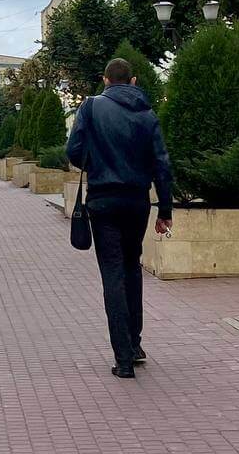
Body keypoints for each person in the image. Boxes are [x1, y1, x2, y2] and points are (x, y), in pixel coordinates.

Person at [66, 57, 173, 381]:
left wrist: (96, 161)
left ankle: (123, 358)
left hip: (103, 201)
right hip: (137, 202)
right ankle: (135, 345)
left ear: (105, 80)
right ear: (133, 80)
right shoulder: (147, 114)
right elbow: (162, 164)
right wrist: (165, 210)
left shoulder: (91, 107)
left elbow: (73, 151)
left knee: (112, 273)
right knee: (131, 267)